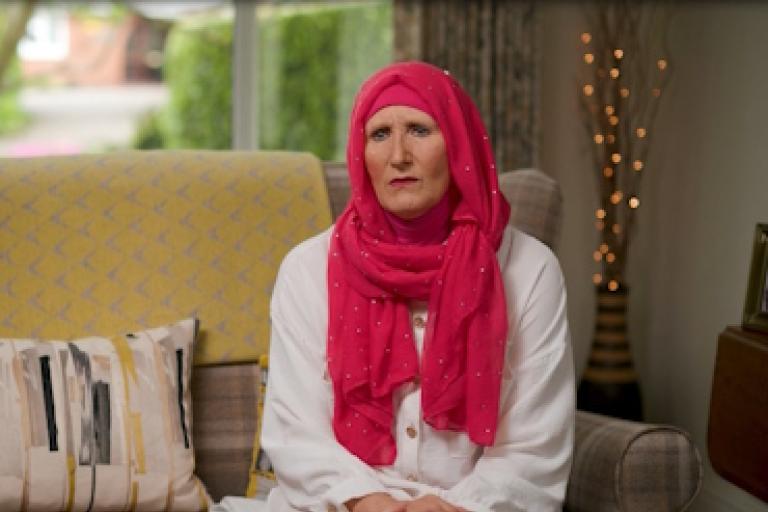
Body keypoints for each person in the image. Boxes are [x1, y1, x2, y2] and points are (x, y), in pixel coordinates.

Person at [231, 61, 574, 512]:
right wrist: (369, 501)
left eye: (419, 129)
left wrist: (450, 507)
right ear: (360, 153)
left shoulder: (530, 269)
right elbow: (297, 432)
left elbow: (535, 447)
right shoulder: (306, 268)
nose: (398, 156)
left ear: (458, 144)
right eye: (379, 135)